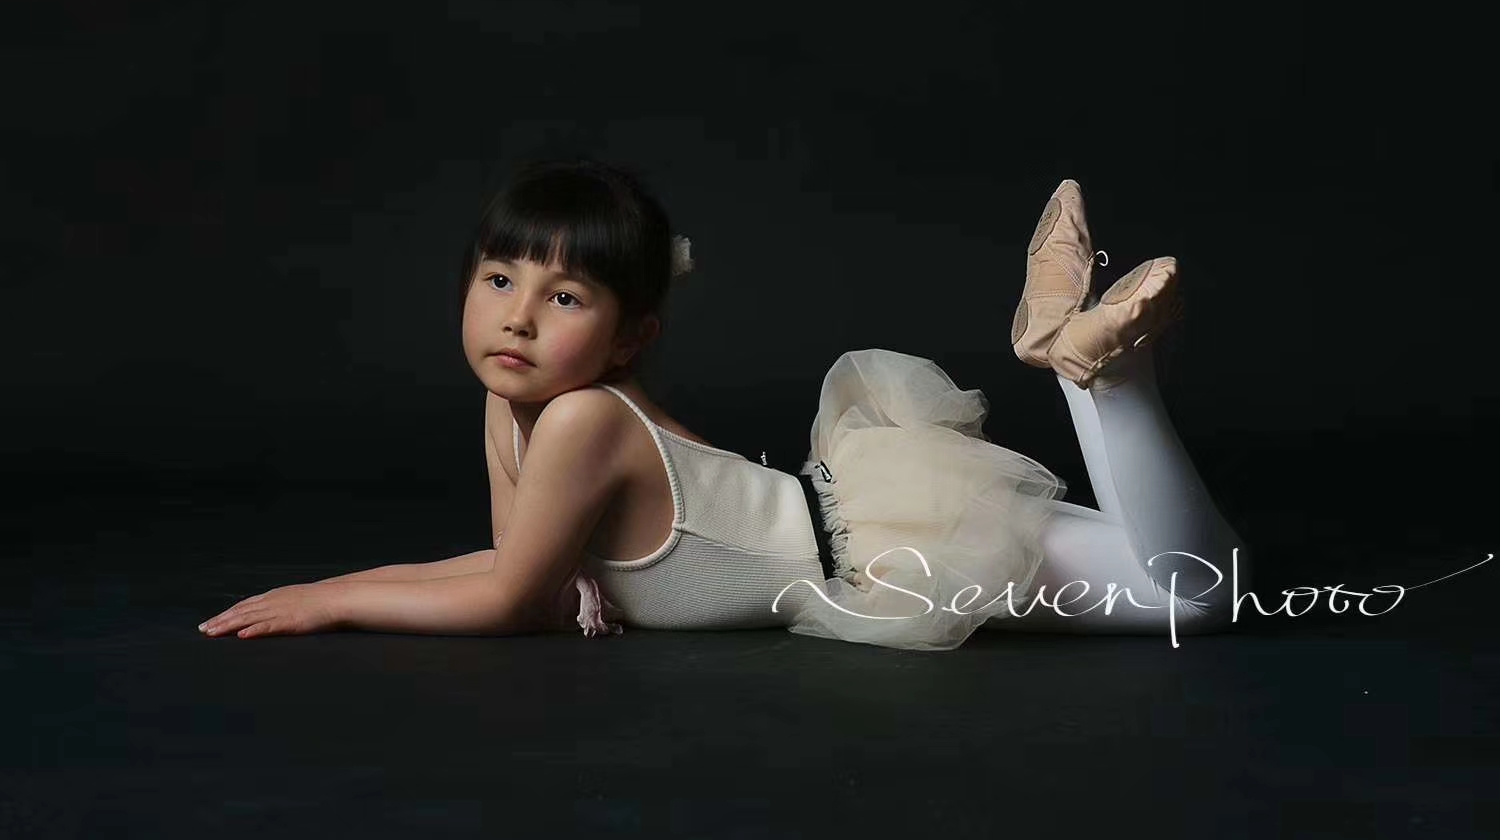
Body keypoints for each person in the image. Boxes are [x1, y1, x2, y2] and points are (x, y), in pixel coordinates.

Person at [197, 160, 1252, 650]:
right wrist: (340, 580)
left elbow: (509, 598)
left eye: (564, 297)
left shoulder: (581, 419)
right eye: (500, 279)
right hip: (858, 519)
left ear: (630, 336)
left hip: (879, 546)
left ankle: (1098, 375)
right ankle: (1088, 366)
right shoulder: (518, 407)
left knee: (1205, 597)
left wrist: (335, 602)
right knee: (1185, 584)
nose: (517, 317)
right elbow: (522, 562)